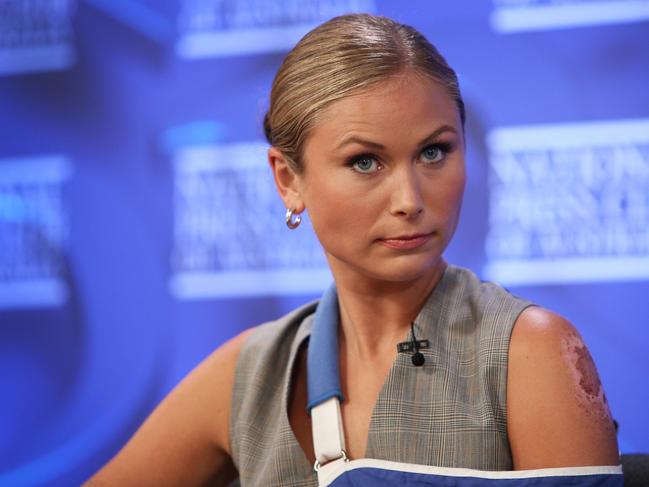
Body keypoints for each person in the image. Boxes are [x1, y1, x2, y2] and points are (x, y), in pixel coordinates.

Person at [86, 13, 621, 487]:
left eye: (435, 151)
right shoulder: (250, 374)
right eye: (366, 162)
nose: (410, 200)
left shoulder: (530, 353)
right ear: (287, 179)